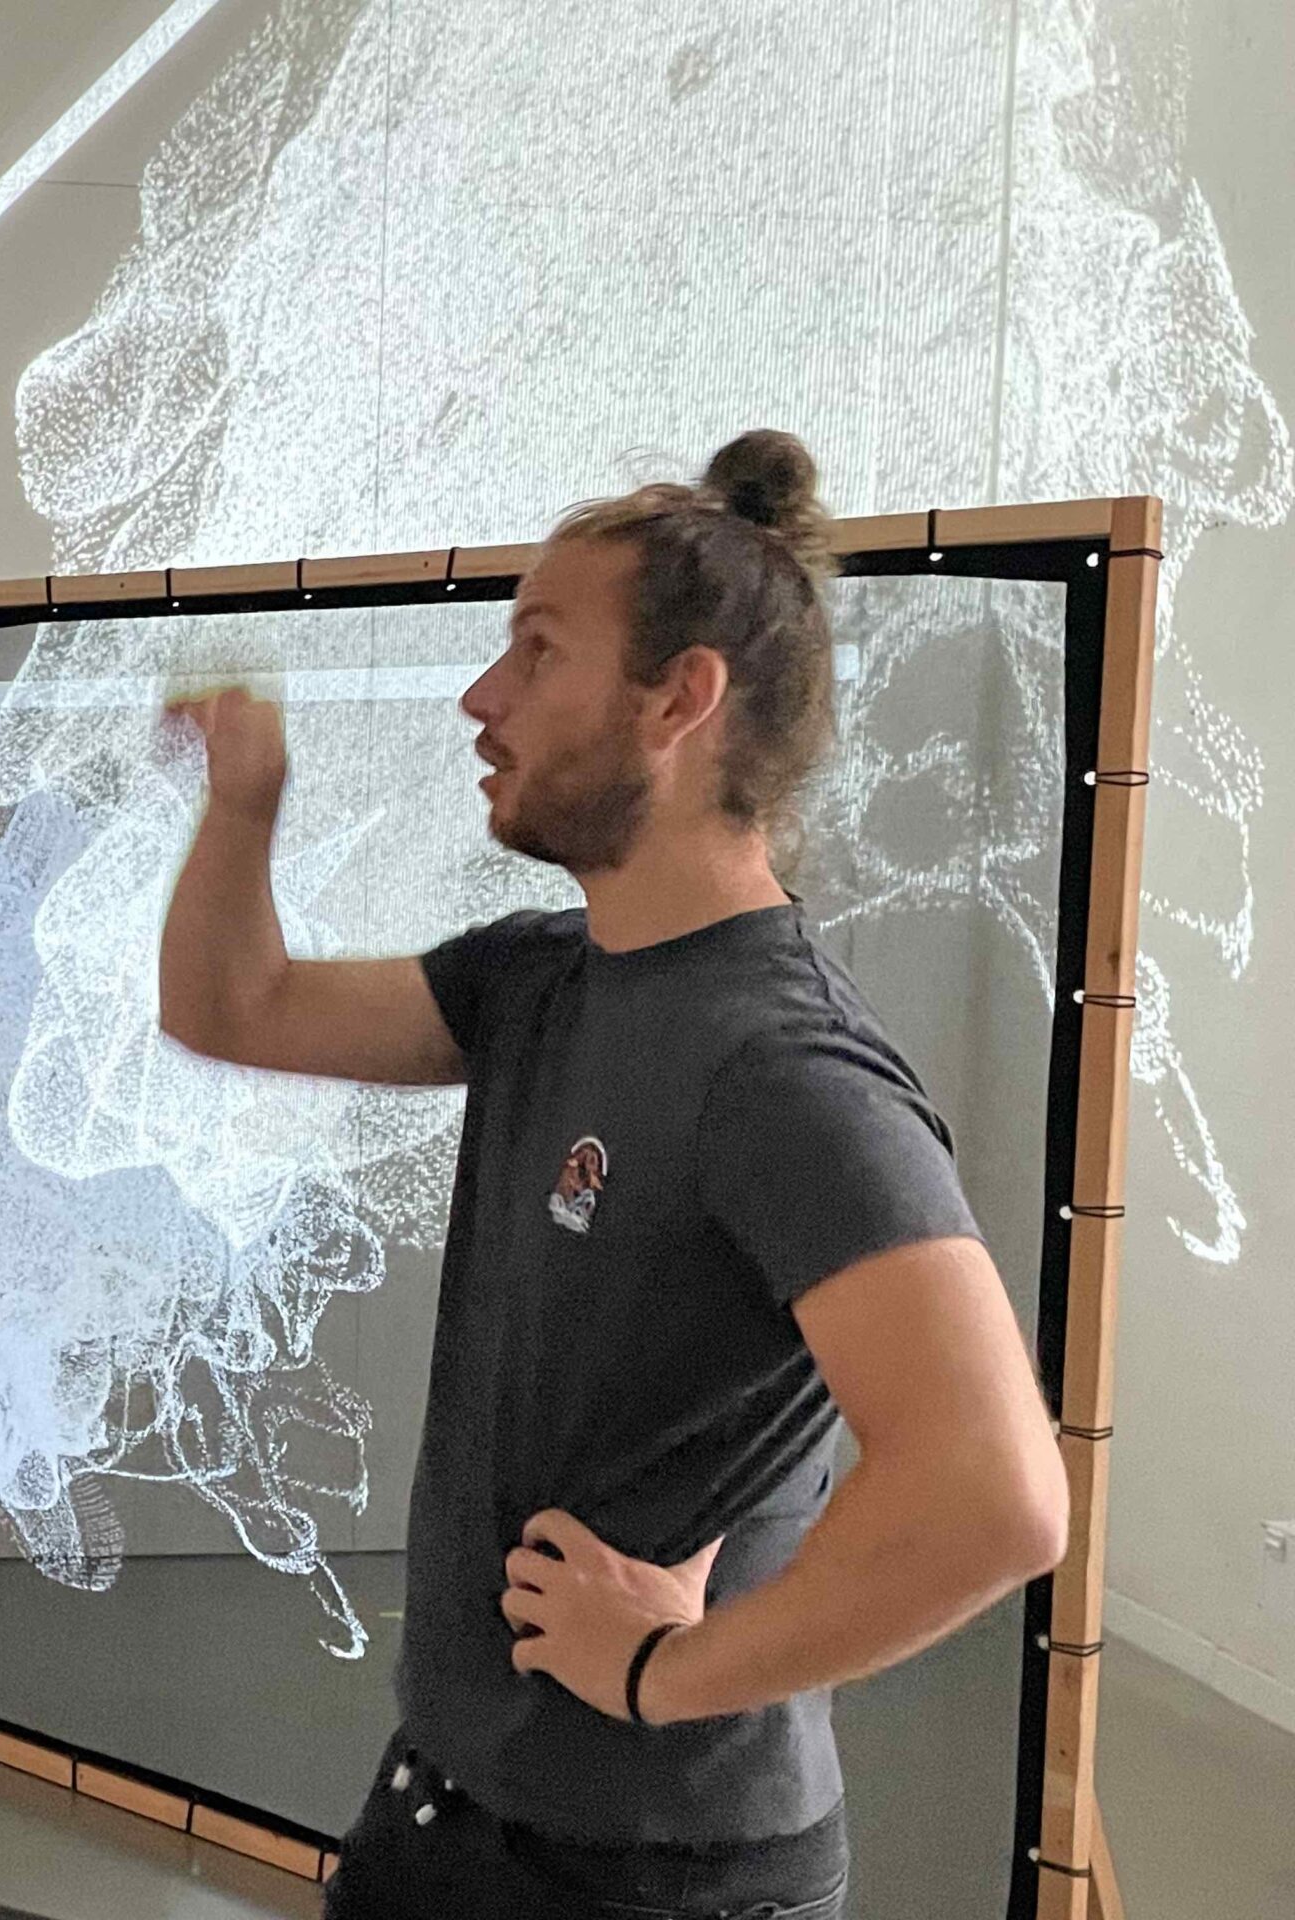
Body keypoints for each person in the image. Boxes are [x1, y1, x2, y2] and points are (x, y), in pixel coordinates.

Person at [157, 430, 1071, 1919]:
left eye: (538, 651)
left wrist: (663, 1672)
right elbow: (233, 1007)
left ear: (680, 699)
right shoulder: (539, 981)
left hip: (657, 1880)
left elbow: (996, 1495)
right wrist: (244, 800)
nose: (484, 696)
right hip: (444, 1811)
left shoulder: (783, 1069)